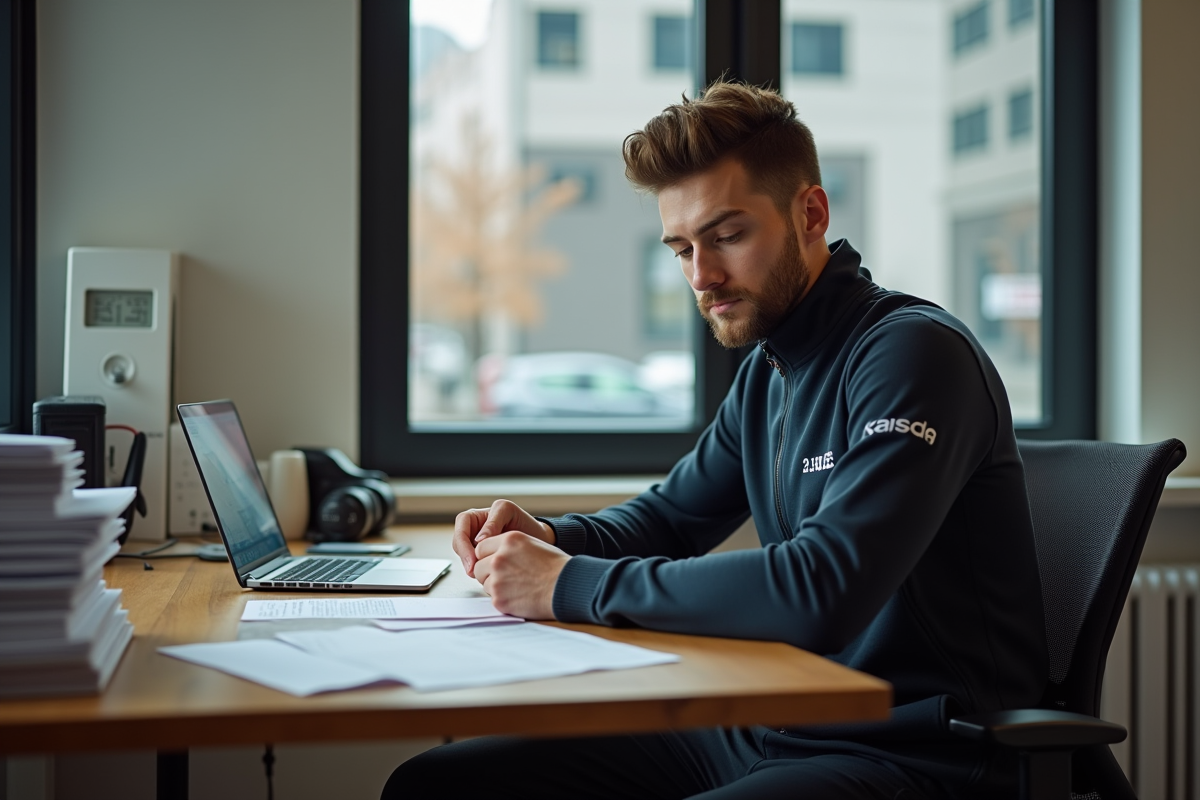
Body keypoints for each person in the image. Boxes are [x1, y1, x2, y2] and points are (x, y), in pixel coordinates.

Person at [382, 81, 1048, 800]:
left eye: (727, 236)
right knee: (437, 785)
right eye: (681, 249)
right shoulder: (769, 371)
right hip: (776, 722)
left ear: (811, 214)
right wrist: (549, 537)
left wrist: (566, 585)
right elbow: (671, 519)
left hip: (918, 752)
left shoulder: (913, 354)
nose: (702, 276)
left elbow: (823, 588)